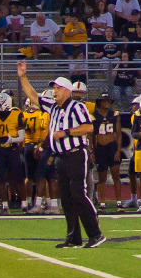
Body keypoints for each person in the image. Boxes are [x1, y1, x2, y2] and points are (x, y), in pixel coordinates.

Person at [16, 63, 104, 249]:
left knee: (79, 194)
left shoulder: (76, 107)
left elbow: (89, 127)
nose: (54, 91)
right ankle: (74, 237)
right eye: (54, 88)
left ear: (67, 90)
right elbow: (33, 96)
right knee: (66, 197)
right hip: (60, 156)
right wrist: (23, 77)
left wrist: (66, 132)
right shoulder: (53, 107)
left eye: (57, 88)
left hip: (76, 154)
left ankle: (96, 234)